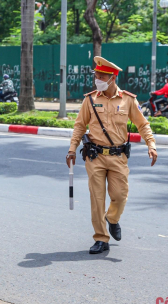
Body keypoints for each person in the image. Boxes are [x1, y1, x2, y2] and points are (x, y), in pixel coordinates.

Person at [66, 56, 158, 254]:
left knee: (119, 195)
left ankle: (113, 218)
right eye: (96, 74)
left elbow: (143, 124)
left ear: (112, 78)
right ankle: (101, 238)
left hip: (118, 156)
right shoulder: (90, 99)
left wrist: (151, 145)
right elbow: (80, 126)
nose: (96, 78)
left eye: (101, 75)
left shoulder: (128, 100)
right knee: (97, 199)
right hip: (95, 156)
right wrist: (72, 149)